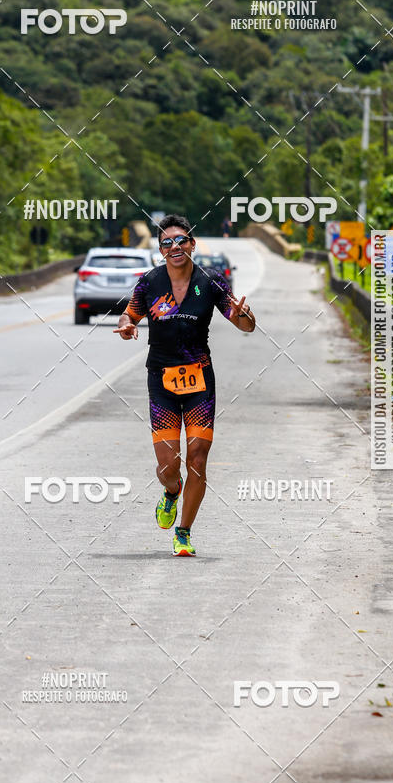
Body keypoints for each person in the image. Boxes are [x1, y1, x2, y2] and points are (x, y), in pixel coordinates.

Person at [113, 214, 256, 556]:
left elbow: (246, 326)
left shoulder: (211, 282)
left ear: (192, 244)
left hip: (199, 381)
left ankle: (184, 532)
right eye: (167, 242)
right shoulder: (149, 283)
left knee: (197, 457)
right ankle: (171, 492)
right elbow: (129, 315)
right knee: (168, 467)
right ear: (161, 250)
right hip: (161, 380)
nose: (174, 247)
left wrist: (243, 314)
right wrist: (127, 326)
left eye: (181, 241)